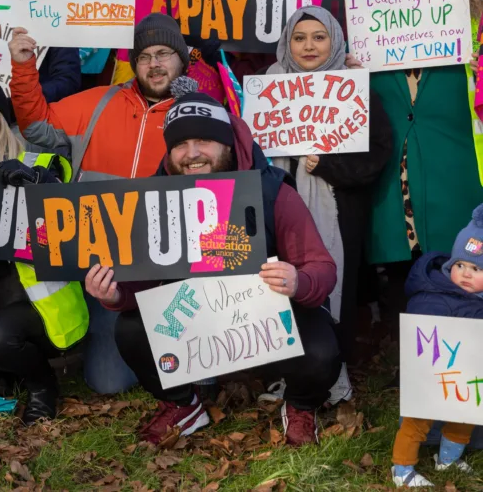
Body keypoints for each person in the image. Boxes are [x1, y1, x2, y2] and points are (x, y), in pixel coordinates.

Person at [87, 85, 339, 446]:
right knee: (130, 327)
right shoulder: (153, 197)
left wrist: (298, 281)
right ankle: (182, 404)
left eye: (203, 141)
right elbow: (139, 286)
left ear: (226, 144)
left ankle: (300, 405)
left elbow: (321, 266)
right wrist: (114, 294)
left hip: (269, 317)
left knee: (321, 350)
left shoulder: (271, 190)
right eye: (179, 145)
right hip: (195, 313)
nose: (191, 154)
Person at [8, 13, 191, 395]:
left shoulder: (198, 111)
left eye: (163, 54)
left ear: (182, 58)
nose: (154, 64)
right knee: (107, 383)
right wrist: (24, 67)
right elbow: (37, 127)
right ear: (133, 63)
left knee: (193, 375)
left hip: (172, 267)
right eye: (144, 56)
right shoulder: (99, 101)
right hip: (107, 268)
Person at [0, 53, 88, 424]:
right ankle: (2, 376)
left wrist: (38, 184)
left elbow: (67, 207)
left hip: (35, 310)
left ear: (4, 123)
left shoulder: (37, 165)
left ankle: (42, 385)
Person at [266, 6, 392, 402]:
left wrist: (328, 165)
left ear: (335, 41)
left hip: (339, 211)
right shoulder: (268, 86)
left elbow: (376, 154)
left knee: (333, 283)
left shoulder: (356, 87)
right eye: (299, 38)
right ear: (287, 42)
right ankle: (285, 371)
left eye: (319, 37)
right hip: (280, 207)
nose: (308, 46)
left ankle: (331, 370)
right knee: (279, 281)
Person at [369, 0, 483, 273]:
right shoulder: (375, 34)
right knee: (404, 293)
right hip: (396, 192)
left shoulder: (476, 29)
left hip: (458, 182)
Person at [390, 206, 483, 487]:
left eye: (477, 268)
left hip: (466, 382)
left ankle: (448, 459)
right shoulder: (431, 295)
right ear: (449, 266)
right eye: (460, 265)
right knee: (415, 424)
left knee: (463, 420)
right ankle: (402, 469)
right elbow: (419, 332)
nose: (465, 273)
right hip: (429, 377)